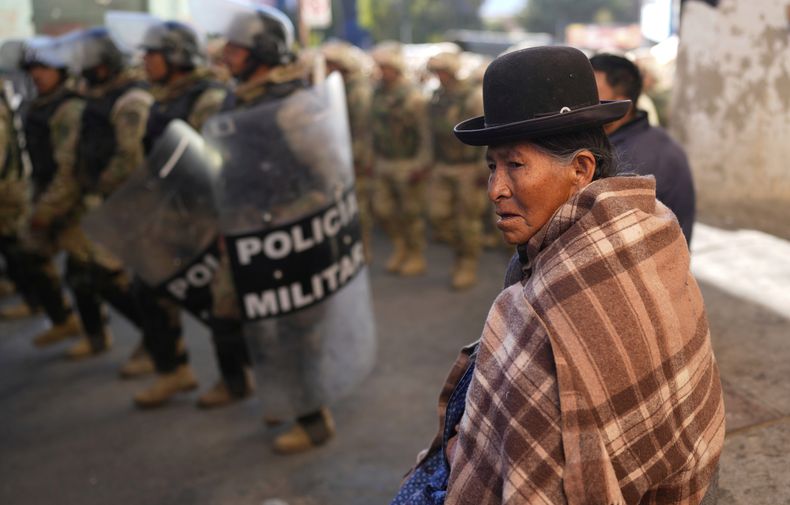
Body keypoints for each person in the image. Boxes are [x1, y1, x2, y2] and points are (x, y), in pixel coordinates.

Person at [391, 46, 724, 505]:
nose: (496, 189)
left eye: (515, 165)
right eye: (492, 166)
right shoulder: (651, 223)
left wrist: (464, 451)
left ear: (581, 169)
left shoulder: (534, 310)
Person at [209, 4, 335, 454]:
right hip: (242, 227)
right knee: (228, 314)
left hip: (282, 231)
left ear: (262, 51)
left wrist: (290, 221)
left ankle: (313, 420)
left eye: (235, 46)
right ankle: (270, 391)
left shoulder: (292, 104)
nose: (225, 53)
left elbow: (328, 178)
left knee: (291, 330)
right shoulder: (236, 95)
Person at [129, 20, 238, 410]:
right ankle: (172, 368)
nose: (145, 61)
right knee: (148, 287)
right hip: (172, 216)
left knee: (222, 303)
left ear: (176, 56)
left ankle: (235, 378)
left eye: (152, 54)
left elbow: (216, 164)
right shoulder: (162, 97)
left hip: (208, 218)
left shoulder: (206, 98)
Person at [62, 27, 153, 359]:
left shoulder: (130, 99)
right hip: (104, 201)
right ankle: (153, 343)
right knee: (84, 274)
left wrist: (98, 190)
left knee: (112, 278)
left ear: (104, 65)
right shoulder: (98, 95)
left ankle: (160, 346)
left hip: (128, 204)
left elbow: (129, 161)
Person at [590, 53, 696, 245]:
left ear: (622, 103)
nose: (583, 102)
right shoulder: (635, 141)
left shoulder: (631, 160)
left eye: (592, 94)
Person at [425, 50, 487, 290]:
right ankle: (459, 253)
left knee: (467, 221)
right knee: (437, 215)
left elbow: (485, 135)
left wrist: (485, 169)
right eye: (436, 71)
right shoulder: (437, 98)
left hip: (467, 168)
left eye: (443, 71)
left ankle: (466, 263)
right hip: (443, 165)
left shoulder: (472, 97)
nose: (439, 76)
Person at [370, 41, 432, 276]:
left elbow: (425, 134)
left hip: (407, 163)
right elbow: (371, 129)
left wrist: (422, 163)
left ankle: (415, 254)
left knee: (410, 213)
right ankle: (400, 247)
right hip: (384, 161)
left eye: (386, 67)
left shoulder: (412, 96)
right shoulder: (376, 93)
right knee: (383, 210)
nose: (382, 72)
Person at [321, 40, 375, 261]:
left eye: (331, 63)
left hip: (356, 159)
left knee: (359, 207)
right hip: (343, 157)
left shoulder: (357, 90)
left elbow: (362, 130)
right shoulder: (339, 86)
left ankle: (363, 250)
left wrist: (358, 159)